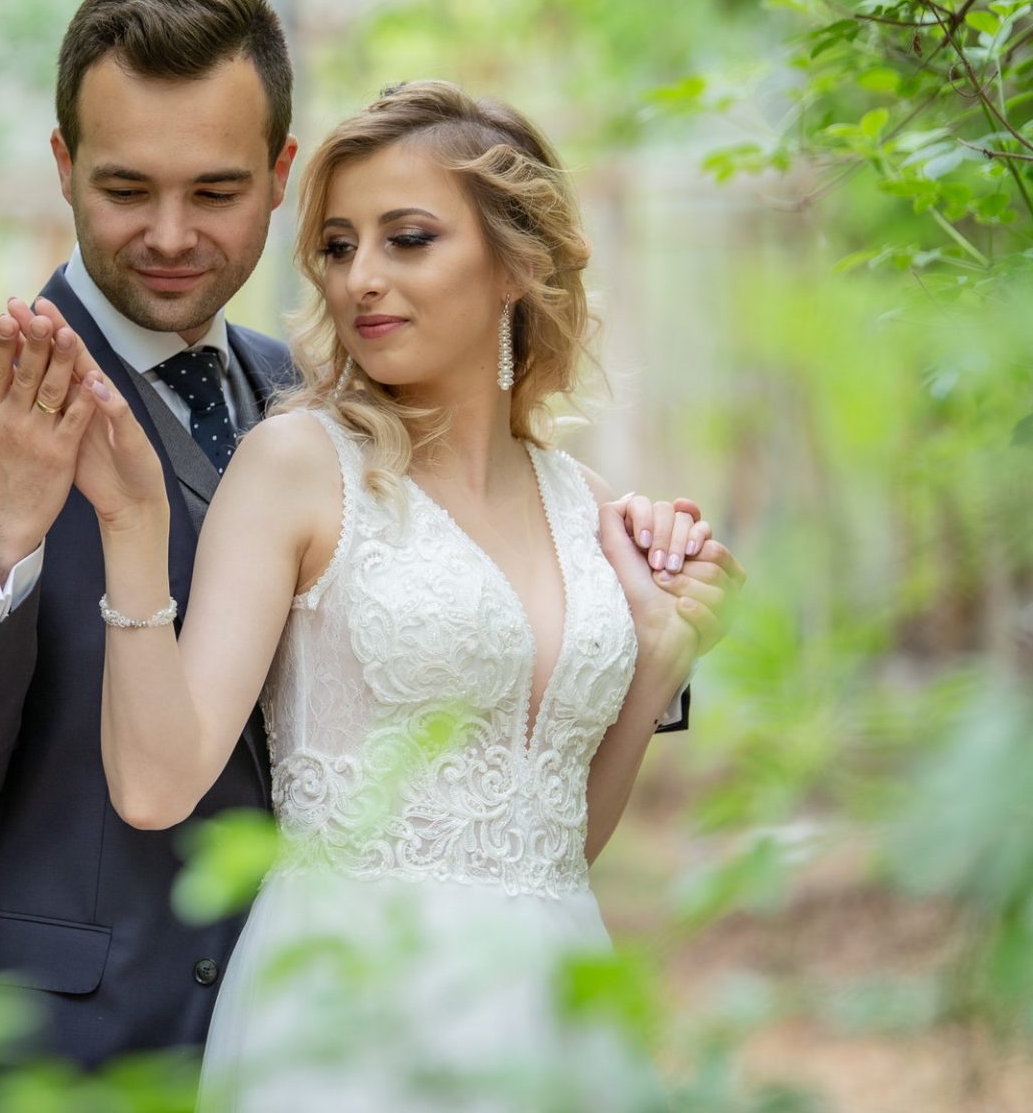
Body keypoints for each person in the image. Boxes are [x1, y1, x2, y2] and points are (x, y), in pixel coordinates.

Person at [0, 0, 722, 1107]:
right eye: (125, 189)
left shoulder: (332, 403)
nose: (169, 233)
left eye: (214, 192)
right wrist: (1, 542)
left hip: (362, 1025)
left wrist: (630, 621)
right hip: (63, 1055)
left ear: (277, 177)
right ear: (62, 168)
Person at [61, 79, 746, 1110]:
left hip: (560, 1008)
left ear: (517, 261)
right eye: (338, 247)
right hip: (350, 1016)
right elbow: (157, 783)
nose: (361, 280)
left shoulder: (587, 507)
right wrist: (129, 525)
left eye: (407, 239)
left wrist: (656, 654)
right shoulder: (299, 465)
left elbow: (557, 843)